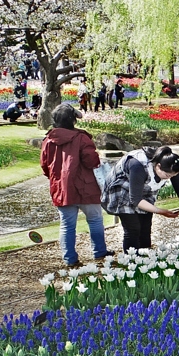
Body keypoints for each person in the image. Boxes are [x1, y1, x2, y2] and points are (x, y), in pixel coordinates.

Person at [40, 104, 112, 267]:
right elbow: (91, 161)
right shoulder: (82, 138)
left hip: (62, 189)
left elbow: (45, 166)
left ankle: (69, 258)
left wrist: (56, 178)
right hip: (86, 187)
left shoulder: (48, 140)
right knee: (94, 220)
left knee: (67, 225)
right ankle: (99, 251)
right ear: (73, 120)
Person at [102, 147, 179, 252]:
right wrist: (160, 211)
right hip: (122, 190)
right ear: (158, 166)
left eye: (172, 176)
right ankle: (131, 261)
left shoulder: (170, 164)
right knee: (133, 229)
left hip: (144, 192)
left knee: (145, 228)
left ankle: (146, 260)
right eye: (167, 175)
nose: (168, 178)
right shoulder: (137, 165)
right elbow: (135, 199)